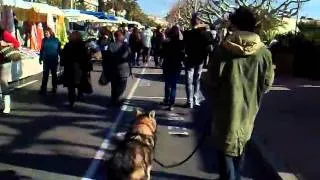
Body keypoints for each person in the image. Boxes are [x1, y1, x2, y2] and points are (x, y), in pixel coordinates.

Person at [203, 7, 275, 180]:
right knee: (241, 146)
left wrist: (214, 97)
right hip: (249, 111)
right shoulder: (264, 53)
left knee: (225, 151)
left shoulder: (222, 51)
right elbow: (267, 83)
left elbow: (209, 82)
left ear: (234, 26)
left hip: (223, 111)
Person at [184, 13, 213, 108]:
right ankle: (195, 99)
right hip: (200, 60)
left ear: (191, 22)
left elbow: (184, 46)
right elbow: (210, 47)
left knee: (189, 81)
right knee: (197, 80)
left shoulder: (187, 33)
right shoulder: (206, 33)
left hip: (190, 59)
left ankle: (190, 101)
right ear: (200, 22)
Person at [61, 31, 91, 108]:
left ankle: (72, 100)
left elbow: (63, 56)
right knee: (80, 83)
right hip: (80, 68)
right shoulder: (82, 45)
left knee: (71, 86)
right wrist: (88, 67)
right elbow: (86, 57)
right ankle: (79, 95)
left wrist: (63, 64)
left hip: (70, 68)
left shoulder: (68, 46)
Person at [103, 30, 131, 106]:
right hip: (123, 69)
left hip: (113, 69)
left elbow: (107, 57)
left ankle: (113, 99)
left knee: (114, 85)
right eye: (122, 36)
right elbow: (128, 56)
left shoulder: (110, 45)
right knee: (121, 86)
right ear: (120, 36)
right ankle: (116, 99)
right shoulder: (125, 46)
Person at [161, 26, 184, 111]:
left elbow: (161, 53)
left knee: (167, 84)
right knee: (173, 85)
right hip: (176, 65)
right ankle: (171, 103)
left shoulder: (166, 42)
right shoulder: (181, 43)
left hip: (167, 64)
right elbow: (182, 54)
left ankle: (166, 100)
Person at [0, 25, 20, 114]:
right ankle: (1, 101)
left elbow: (17, 43)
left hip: (4, 61)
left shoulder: (4, 33)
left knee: (3, 82)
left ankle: (7, 105)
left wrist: (6, 43)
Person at [39, 28, 61, 95]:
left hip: (54, 60)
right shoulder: (44, 40)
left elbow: (59, 50)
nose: (45, 34)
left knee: (54, 75)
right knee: (45, 75)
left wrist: (62, 59)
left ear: (50, 33)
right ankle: (43, 89)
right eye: (45, 32)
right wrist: (40, 58)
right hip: (46, 60)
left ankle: (54, 88)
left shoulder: (56, 40)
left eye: (47, 32)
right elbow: (42, 50)